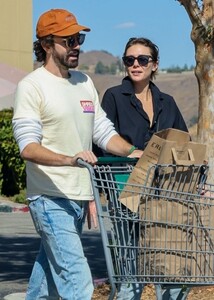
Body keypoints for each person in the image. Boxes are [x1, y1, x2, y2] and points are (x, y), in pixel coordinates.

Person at [12, 9, 142, 300]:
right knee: (78, 281)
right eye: (68, 40)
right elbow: (28, 147)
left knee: (46, 281)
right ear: (46, 44)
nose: (76, 46)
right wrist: (70, 159)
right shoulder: (32, 87)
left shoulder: (83, 83)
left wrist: (134, 151)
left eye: (78, 38)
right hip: (49, 198)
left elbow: (103, 131)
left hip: (78, 198)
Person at [94, 37, 190, 300]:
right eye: (129, 60)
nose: (135, 64)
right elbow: (102, 143)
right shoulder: (114, 97)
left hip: (164, 196)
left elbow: (183, 142)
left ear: (155, 65)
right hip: (127, 191)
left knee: (169, 266)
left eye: (142, 59)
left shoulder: (167, 102)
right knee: (131, 268)